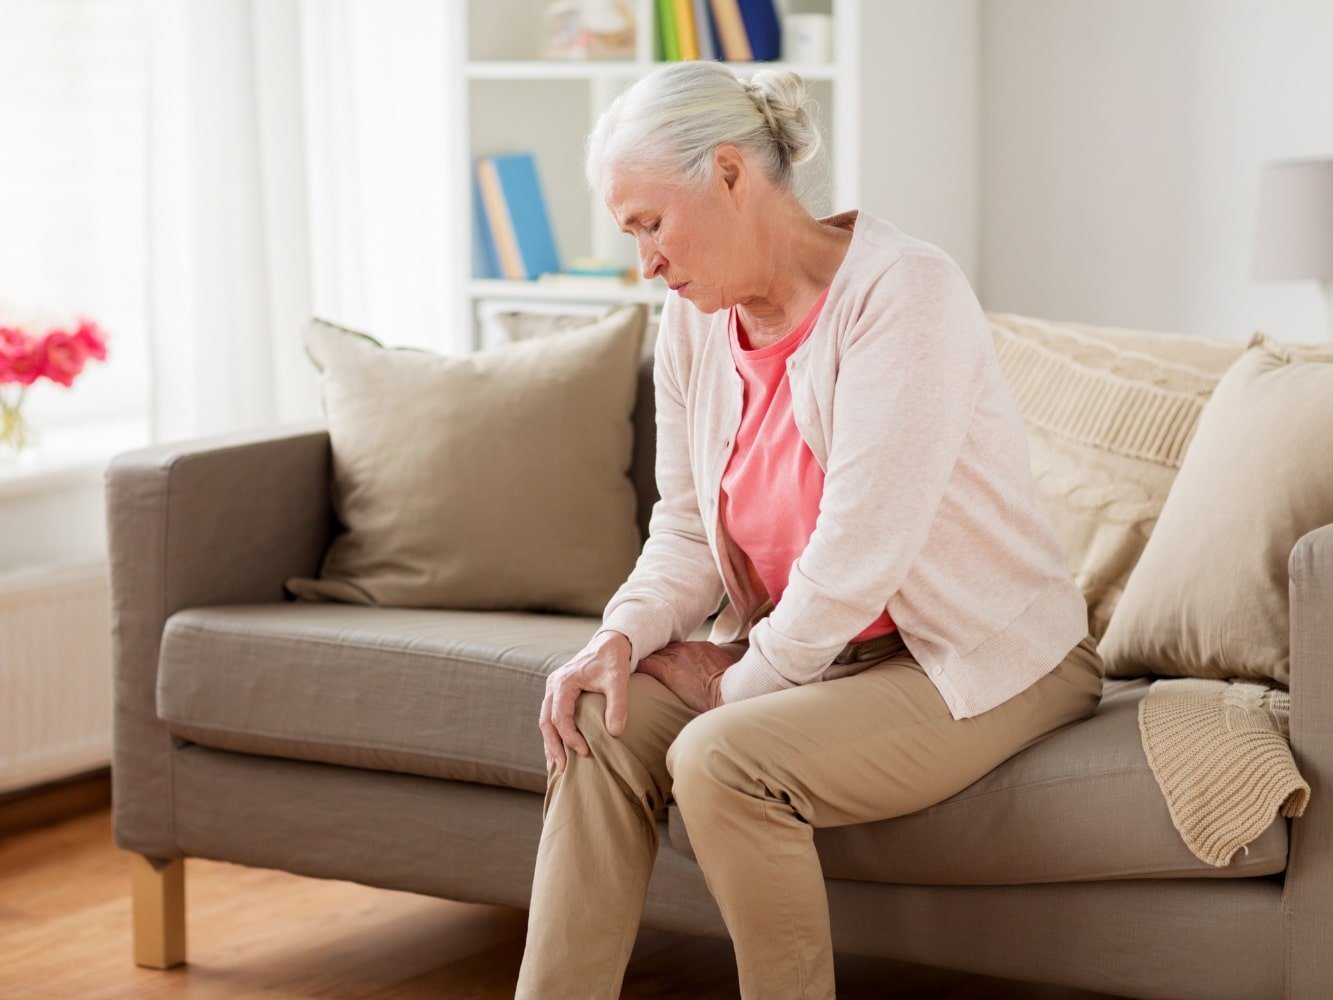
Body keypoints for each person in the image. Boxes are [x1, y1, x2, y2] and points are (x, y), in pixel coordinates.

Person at [516, 61, 1102, 1000]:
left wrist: (738, 682)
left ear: (730, 174)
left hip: (971, 657)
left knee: (723, 756)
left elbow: (857, 554)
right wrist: (618, 638)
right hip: (822, 657)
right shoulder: (693, 322)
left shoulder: (903, 293)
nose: (646, 265)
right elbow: (684, 529)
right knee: (595, 713)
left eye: (649, 224)